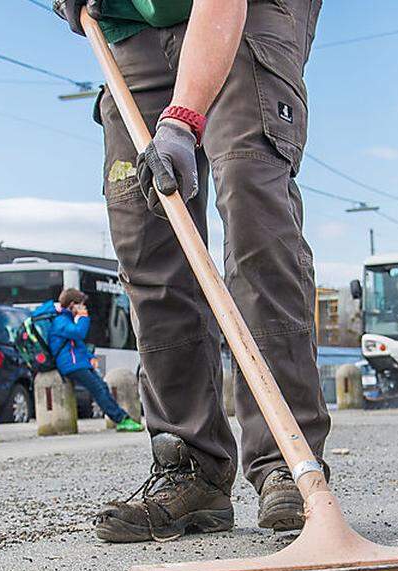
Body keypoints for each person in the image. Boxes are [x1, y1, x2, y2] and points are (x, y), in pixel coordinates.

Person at [54, 0, 330, 543]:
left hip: (248, 11)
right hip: (130, 28)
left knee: (253, 210)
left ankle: (288, 461)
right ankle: (191, 467)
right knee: (146, 236)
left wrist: (182, 119)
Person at [48, 288, 144, 433]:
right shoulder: (60, 321)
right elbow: (79, 333)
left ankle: (121, 418)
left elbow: (77, 345)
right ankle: (121, 419)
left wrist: (89, 358)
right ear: (72, 304)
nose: (83, 307)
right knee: (98, 388)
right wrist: (83, 316)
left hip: (77, 362)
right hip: (71, 364)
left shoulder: (65, 319)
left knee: (101, 387)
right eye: (81, 304)